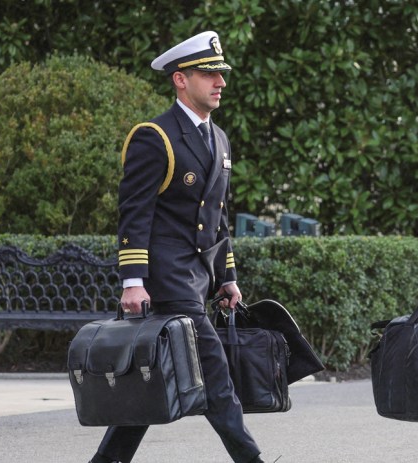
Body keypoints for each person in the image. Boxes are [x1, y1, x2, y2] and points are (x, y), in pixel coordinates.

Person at [89, 31, 265, 463]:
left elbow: (218, 219)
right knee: (214, 373)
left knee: (149, 385)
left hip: (196, 280)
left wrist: (228, 278)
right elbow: (135, 214)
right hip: (166, 282)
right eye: (209, 74)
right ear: (180, 80)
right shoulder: (155, 136)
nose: (220, 82)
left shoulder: (219, 139)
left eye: (221, 74)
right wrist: (133, 282)